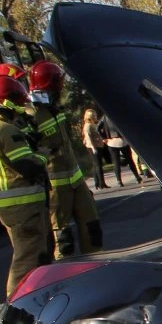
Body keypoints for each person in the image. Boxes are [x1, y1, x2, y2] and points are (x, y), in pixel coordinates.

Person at [0, 75, 50, 296]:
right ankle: (17, 304)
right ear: (8, 101)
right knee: (27, 257)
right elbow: (27, 167)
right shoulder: (6, 130)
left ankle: (34, 296)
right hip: (23, 203)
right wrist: (43, 156)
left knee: (28, 253)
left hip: (7, 203)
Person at [27, 60, 102, 258]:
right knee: (63, 237)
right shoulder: (32, 114)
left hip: (76, 180)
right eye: (57, 84)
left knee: (92, 225)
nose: (61, 88)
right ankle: (64, 276)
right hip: (55, 186)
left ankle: (95, 264)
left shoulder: (55, 109)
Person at [100, 114, 141, 185]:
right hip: (123, 141)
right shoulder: (119, 115)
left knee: (116, 162)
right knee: (130, 160)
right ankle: (137, 177)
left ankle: (119, 181)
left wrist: (104, 138)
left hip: (112, 142)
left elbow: (98, 128)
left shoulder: (104, 117)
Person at [82, 109, 109, 189]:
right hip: (93, 147)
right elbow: (88, 138)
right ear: (89, 117)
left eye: (95, 115)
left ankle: (97, 183)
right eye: (93, 116)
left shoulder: (93, 124)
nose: (95, 116)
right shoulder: (88, 125)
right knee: (98, 165)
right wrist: (93, 148)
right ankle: (101, 183)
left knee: (96, 165)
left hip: (98, 145)